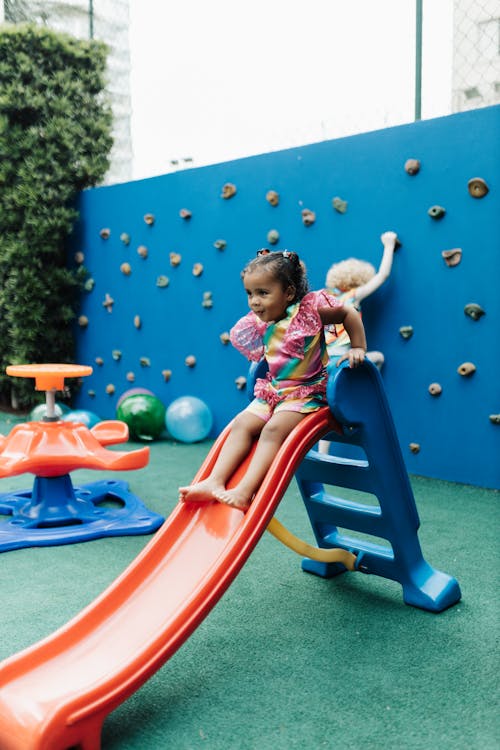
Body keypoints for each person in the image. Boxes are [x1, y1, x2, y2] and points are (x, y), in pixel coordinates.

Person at [179, 248, 366, 511]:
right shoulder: (260, 321)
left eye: (263, 293)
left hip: (307, 393)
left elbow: (348, 313)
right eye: (250, 293)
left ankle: (245, 491)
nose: (254, 301)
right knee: (242, 423)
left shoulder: (309, 311)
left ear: (288, 293)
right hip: (275, 391)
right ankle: (214, 480)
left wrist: (358, 347)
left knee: (273, 430)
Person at [324, 230, 399, 369]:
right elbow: (383, 275)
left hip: (322, 361)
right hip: (344, 358)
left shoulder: (326, 299)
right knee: (379, 358)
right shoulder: (353, 296)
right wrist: (389, 245)